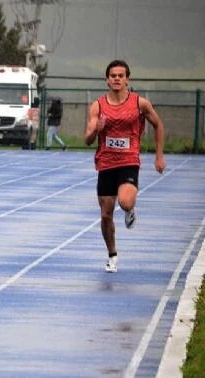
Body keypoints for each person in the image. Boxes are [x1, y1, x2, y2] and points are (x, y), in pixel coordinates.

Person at [84, 59, 166, 273]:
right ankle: (112, 254)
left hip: (129, 161)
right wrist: (97, 129)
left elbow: (158, 125)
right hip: (106, 163)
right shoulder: (98, 106)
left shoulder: (140, 104)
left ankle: (130, 210)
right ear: (107, 80)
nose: (117, 79)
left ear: (127, 79)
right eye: (113, 76)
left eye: (121, 75)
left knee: (126, 202)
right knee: (105, 215)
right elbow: (87, 139)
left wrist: (159, 156)